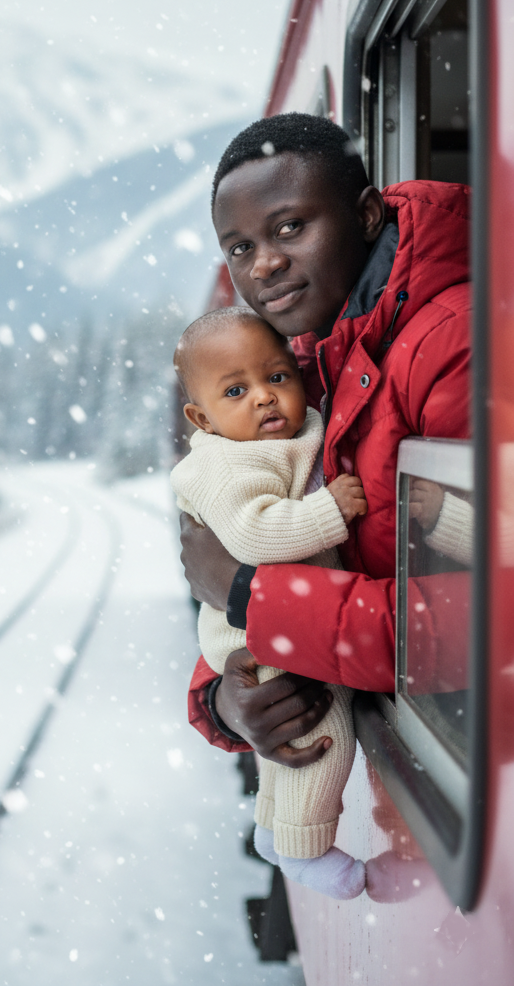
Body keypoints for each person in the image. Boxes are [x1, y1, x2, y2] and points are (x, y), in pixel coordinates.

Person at [181, 113, 470, 773]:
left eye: (289, 228)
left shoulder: (461, 343)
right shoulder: (307, 359)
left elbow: (487, 625)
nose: (266, 264)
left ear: (367, 215)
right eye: (240, 247)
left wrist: (245, 595)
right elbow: (285, 555)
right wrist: (227, 698)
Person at [171, 306, 367, 898]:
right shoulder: (228, 462)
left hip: (279, 617)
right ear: (202, 418)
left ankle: (271, 832)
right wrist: (333, 509)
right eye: (237, 390)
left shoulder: (275, 436)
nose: (264, 398)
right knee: (321, 737)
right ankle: (307, 849)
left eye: (278, 377)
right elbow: (257, 534)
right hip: (258, 631)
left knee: (284, 751)